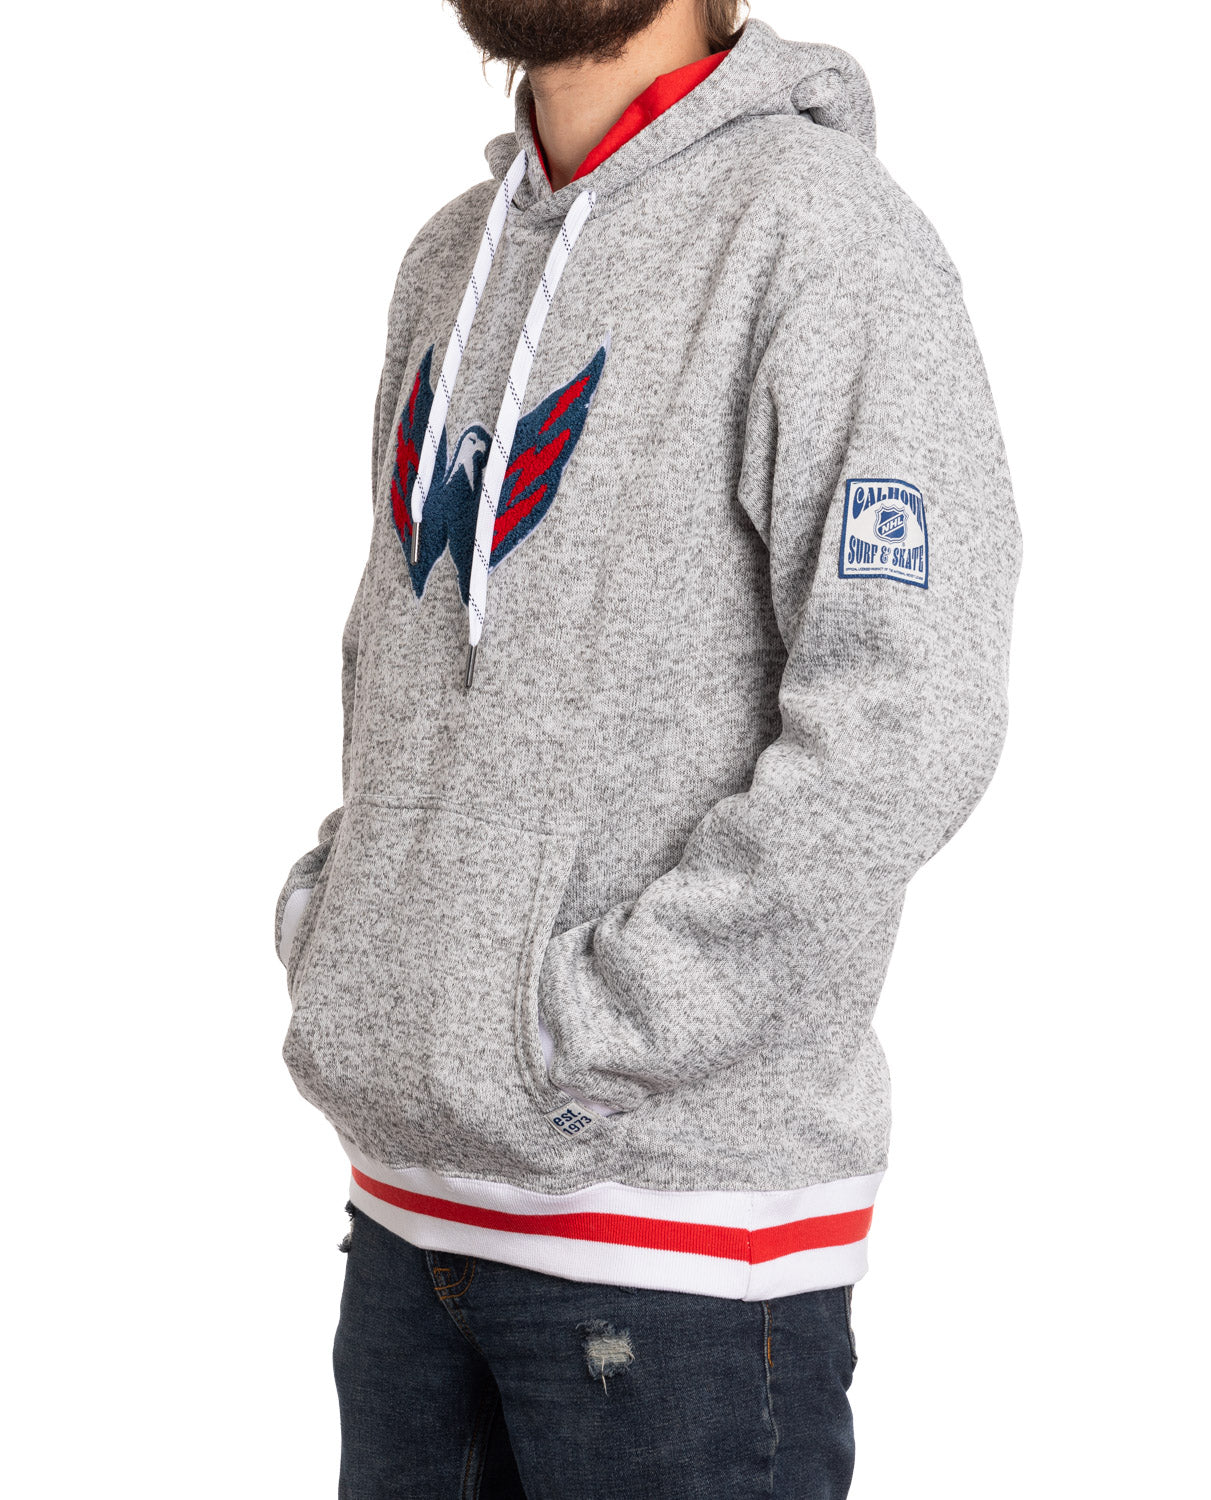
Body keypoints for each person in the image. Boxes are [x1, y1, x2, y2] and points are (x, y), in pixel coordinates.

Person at [274, 2, 1021, 1494]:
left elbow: (906, 714)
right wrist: (347, 935)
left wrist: (581, 1029)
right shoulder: (449, 259)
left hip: (674, 1261)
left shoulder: (822, 238)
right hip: (406, 1230)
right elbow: (398, 661)